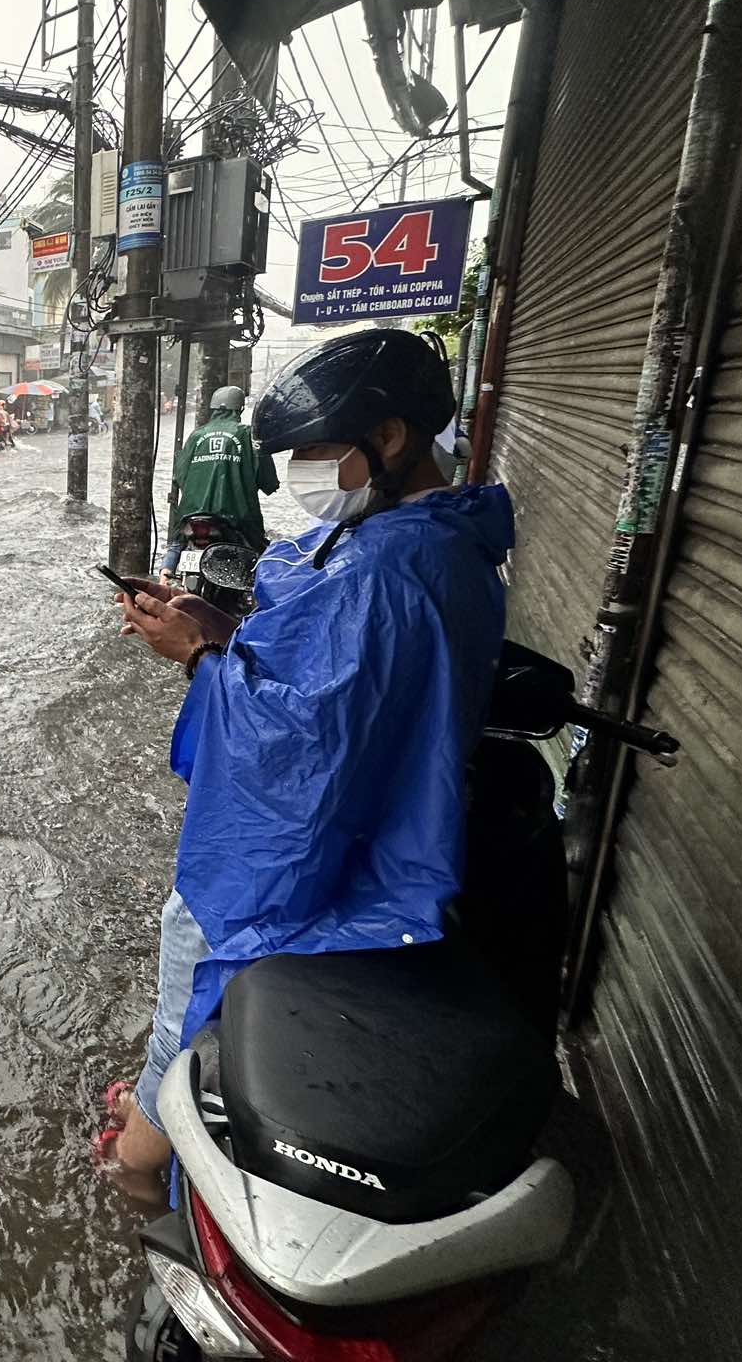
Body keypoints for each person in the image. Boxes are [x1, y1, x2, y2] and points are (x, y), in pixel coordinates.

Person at [100, 328, 513, 1201]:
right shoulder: (428, 539)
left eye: (321, 451)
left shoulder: (391, 570)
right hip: (384, 821)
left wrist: (196, 661)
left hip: (308, 858)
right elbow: (328, 686)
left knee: (193, 971)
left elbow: (298, 752)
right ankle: (154, 1110)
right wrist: (218, 634)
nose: (306, 471)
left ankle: (139, 1166)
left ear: (390, 439)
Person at [163, 385, 279, 574]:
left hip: (191, 514)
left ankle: (165, 572)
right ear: (239, 409)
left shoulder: (196, 436)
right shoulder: (248, 435)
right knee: (259, 558)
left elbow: (179, 475)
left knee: (176, 543)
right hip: (237, 517)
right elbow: (268, 481)